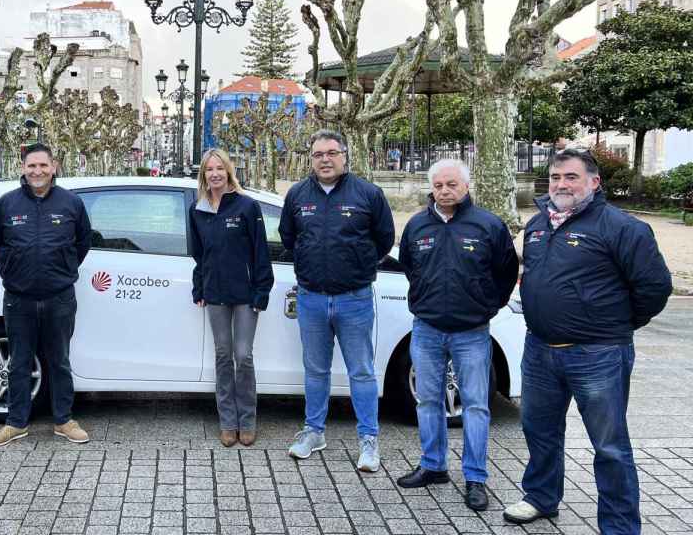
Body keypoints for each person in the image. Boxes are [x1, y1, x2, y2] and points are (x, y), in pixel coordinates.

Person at [504, 149, 671, 533]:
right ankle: (541, 497)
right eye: (556, 177)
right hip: (540, 350)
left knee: (609, 445)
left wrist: (616, 325)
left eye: (571, 177)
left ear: (594, 182)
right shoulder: (537, 225)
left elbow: (655, 287)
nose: (561, 185)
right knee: (539, 430)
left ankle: (619, 525)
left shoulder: (622, 227)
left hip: (598, 354)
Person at [396, 159, 519, 511]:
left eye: (452, 184)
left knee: (477, 407)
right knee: (428, 401)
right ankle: (433, 466)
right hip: (427, 328)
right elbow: (409, 267)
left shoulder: (488, 225)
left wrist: (486, 306)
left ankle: (476, 478)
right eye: (438, 185)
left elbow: (506, 272)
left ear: (466, 185)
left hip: (472, 332)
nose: (444, 191)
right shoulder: (417, 225)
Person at [279, 129, 395, 468]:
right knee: (315, 369)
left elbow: (384, 239)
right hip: (311, 298)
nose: (325, 159)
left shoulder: (368, 194)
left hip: (354, 299)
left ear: (345, 156)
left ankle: (369, 440)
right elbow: (289, 237)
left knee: (361, 371)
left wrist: (358, 265)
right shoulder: (297, 195)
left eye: (331, 153)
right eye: (318, 154)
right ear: (310, 159)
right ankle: (314, 432)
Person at [0, 143, 93, 447]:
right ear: (22, 168)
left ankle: (64, 420)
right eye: (31, 166)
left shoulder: (71, 203)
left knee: (59, 360)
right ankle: (16, 423)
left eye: (43, 166)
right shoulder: (6, 204)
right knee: (19, 361)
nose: (37, 171)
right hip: (18, 298)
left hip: (59, 297)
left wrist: (62, 268)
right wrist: (14, 268)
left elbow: (82, 242)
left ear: (54, 166)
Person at [189, 149, 274, 447]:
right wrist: (198, 288)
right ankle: (227, 421)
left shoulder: (247, 207)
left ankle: (247, 420)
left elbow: (261, 253)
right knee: (223, 356)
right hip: (215, 295)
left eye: (220, 169)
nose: (214, 174)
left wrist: (262, 291)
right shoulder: (197, 210)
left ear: (228, 172)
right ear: (203, 175)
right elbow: (199, 255)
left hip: (246, 295)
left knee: (243, 356)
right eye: (209, 170)